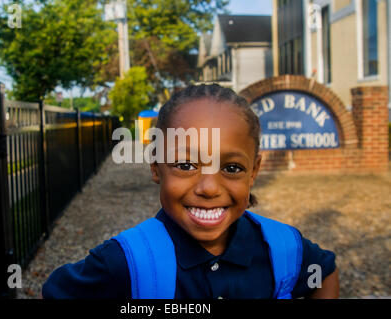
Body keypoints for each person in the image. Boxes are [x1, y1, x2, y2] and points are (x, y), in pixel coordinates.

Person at [42, 84, 339, 299]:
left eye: (232, 168)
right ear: (156, 166)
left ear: (254, 172)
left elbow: (324, 273)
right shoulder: (125, 261)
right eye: (186, 164)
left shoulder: (283, 247)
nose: (209, 188)